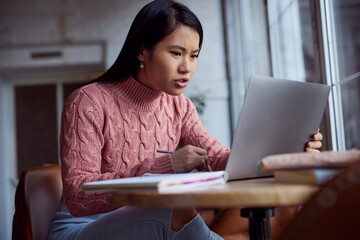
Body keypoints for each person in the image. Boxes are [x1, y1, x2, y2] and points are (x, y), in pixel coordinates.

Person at [47, 0, 323, 239]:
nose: (187, 67)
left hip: (146, 217)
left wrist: (283, 152)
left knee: (280, 205)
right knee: (173, 208)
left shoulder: (179, 106)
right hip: (82, 227)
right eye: (176, 53)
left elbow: (217, 159)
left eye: (194, 56)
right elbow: (77, 197)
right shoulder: (89, 101)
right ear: (142, 51)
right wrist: (167, 165)